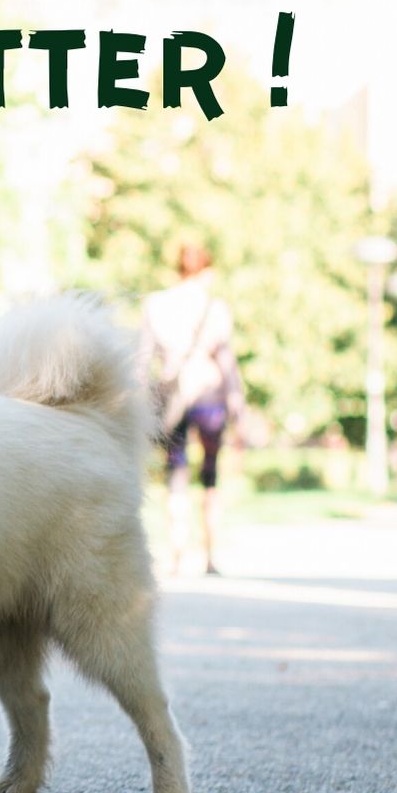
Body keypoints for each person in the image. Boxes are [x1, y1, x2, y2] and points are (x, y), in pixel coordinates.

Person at [141, 243, 246, 575]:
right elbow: (226, 363)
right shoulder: (215, 308)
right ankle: (210, 557)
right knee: (210, 476)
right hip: (209, 399)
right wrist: (237, 406)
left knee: (176, 475)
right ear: (207, 270)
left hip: (173, 399)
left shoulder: (156, 304)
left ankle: (176, 555)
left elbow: (142, 360)